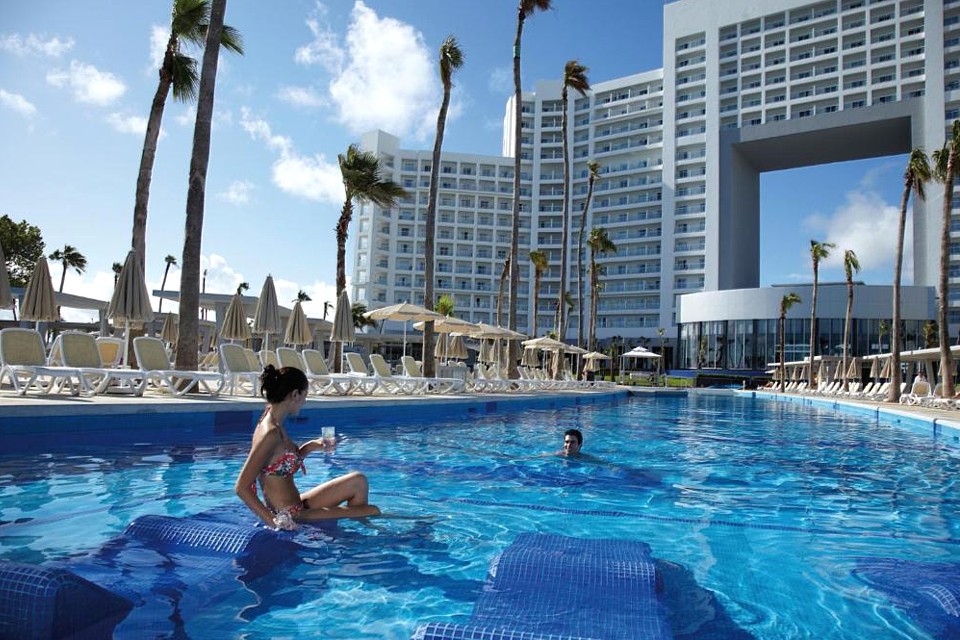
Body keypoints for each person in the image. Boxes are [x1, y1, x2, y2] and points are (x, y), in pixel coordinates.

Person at [236, 365, 380, 530]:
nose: (305, 401)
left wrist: (311, 447)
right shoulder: (270, 433)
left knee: (358, 481)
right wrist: (274, 521)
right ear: (295, 394)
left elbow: (279, 465)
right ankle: (357, 536)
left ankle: (353, 531)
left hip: (299, 504)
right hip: (292, 514)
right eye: (305, 395)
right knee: (372, 510)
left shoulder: (273, 419)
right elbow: (241, 487)